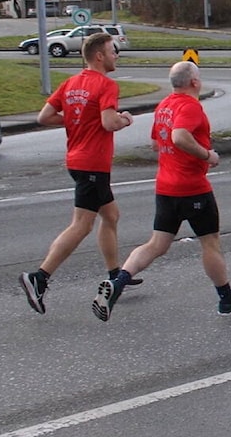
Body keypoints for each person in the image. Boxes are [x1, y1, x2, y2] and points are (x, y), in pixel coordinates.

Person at [92, 60, 231, 321]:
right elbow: (179, 137)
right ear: (194, 82)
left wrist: (180, 155)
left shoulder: (164, 106)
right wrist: (206, 156)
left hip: (166, 187)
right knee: (210, 242)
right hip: (192, 188)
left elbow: (156, 145)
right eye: (199, 77)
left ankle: (119, 282)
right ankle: (227, 297)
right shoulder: (190, 106)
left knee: (156, 243)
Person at [19, 32, 141, 315]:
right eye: (113, 51)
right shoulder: (105, 85)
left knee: (110, 216)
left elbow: (44, 117)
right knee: (82, 225)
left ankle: (115, 276)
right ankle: (39, 278)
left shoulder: (70, 84)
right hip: (92, 164)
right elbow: (109, 123)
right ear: (99, 55)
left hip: (76, 160)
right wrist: (125, 119)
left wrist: (76, 120)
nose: (116, 55)